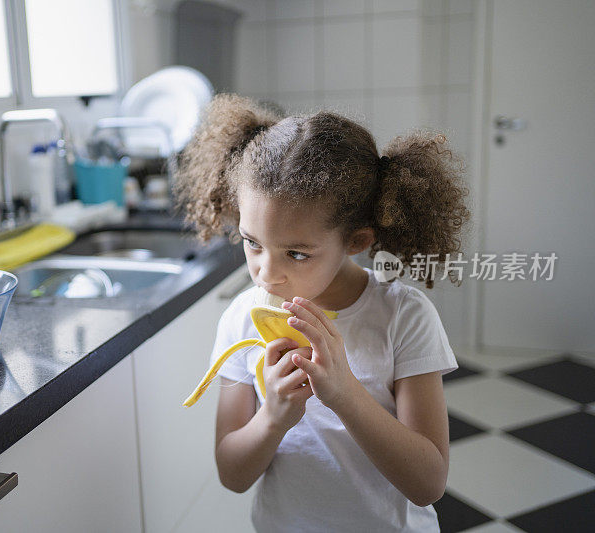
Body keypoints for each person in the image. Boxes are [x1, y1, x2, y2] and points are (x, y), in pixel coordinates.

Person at [173, 93, 471, 532]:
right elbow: (232, 475)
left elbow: (428, 484)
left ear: (357, 241)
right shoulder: (242, 318)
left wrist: (343, 393)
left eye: (296, 253)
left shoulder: (404, 317)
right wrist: (273, 417)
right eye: (252, 243)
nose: (266, 275)